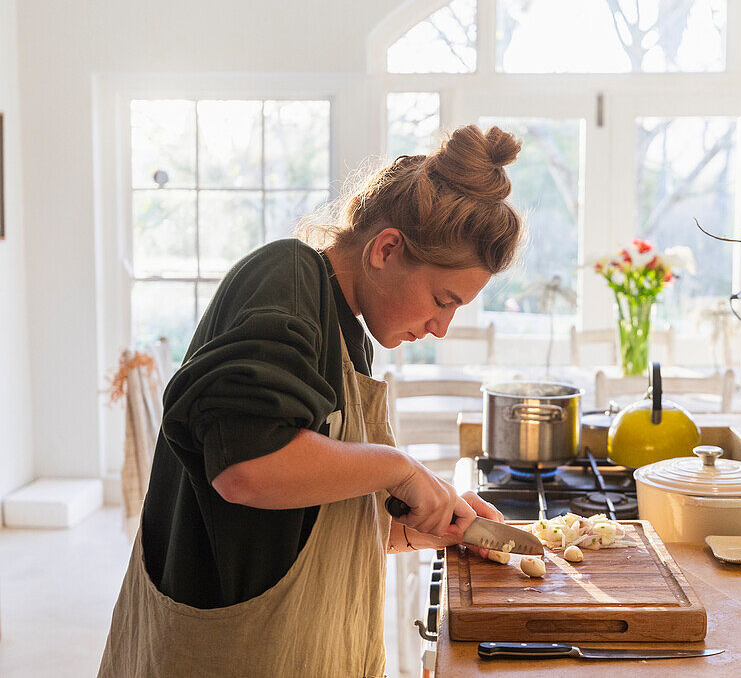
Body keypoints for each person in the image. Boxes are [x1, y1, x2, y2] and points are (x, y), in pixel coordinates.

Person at [98, 125, 524, 678]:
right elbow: (247, 469)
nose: (442, 327)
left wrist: (424, 525)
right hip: (226, 655)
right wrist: (398, 469)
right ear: (387, 248)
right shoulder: (288, 278)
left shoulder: (350, 335)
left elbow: (309, 524)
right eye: (444, 301)